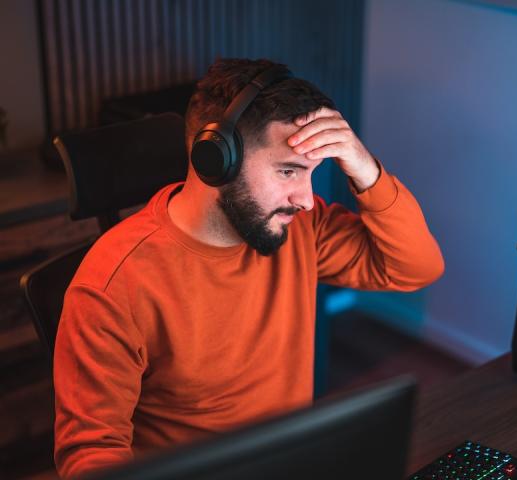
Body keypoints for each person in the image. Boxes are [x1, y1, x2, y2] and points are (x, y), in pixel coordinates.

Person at [53, 58, 444, 478]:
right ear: (214, 160)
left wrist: (364, 168)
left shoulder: (301, 230)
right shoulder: (114, 285)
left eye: (311, 173)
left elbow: (413, 268)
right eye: (288, 171)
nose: (306, 199)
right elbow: (91, 456)